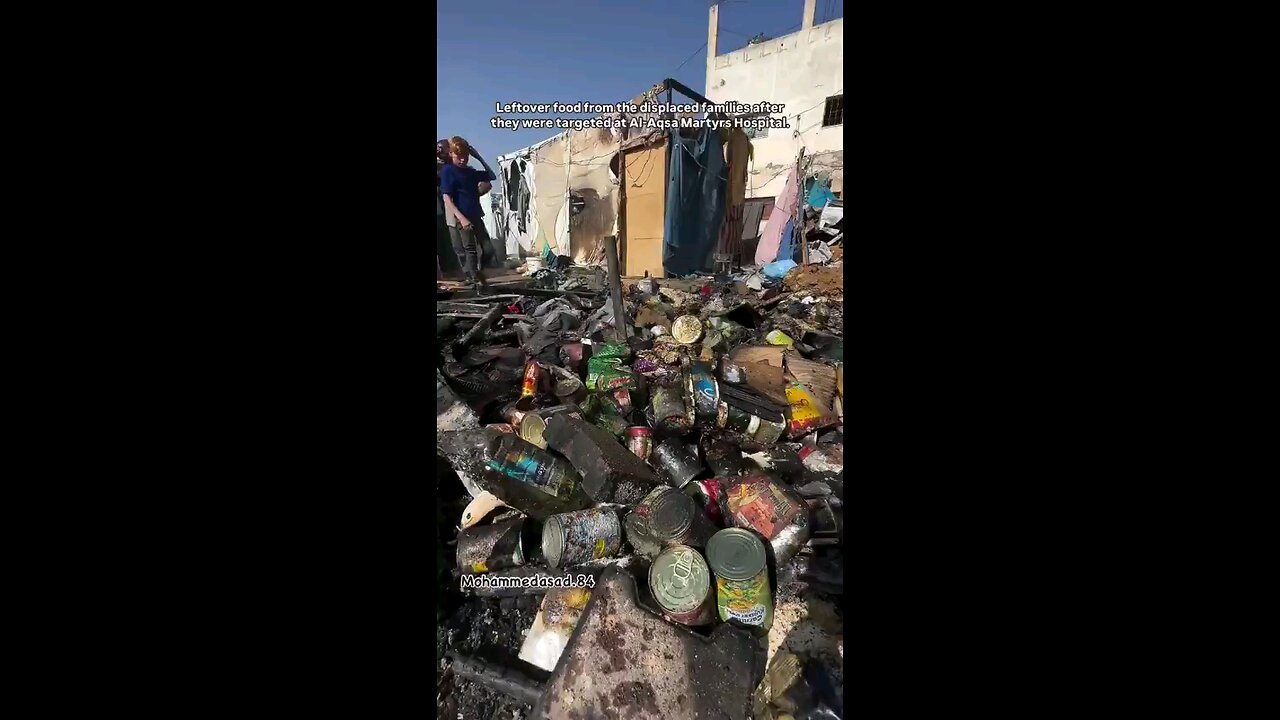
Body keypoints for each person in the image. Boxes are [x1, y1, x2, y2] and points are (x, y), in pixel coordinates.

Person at [440, 136, 498, 287]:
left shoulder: (470, 172)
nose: (462, 160)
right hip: (461, 216)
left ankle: (477, 274)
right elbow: (447, 197)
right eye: (459, 156)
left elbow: (492, 176)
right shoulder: (448, 171)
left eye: (465, 156)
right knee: (468, 249)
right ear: (451, 154)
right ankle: (472, 279)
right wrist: (461, 218)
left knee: (488, 249)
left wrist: (478, 156)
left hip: (475, 214)